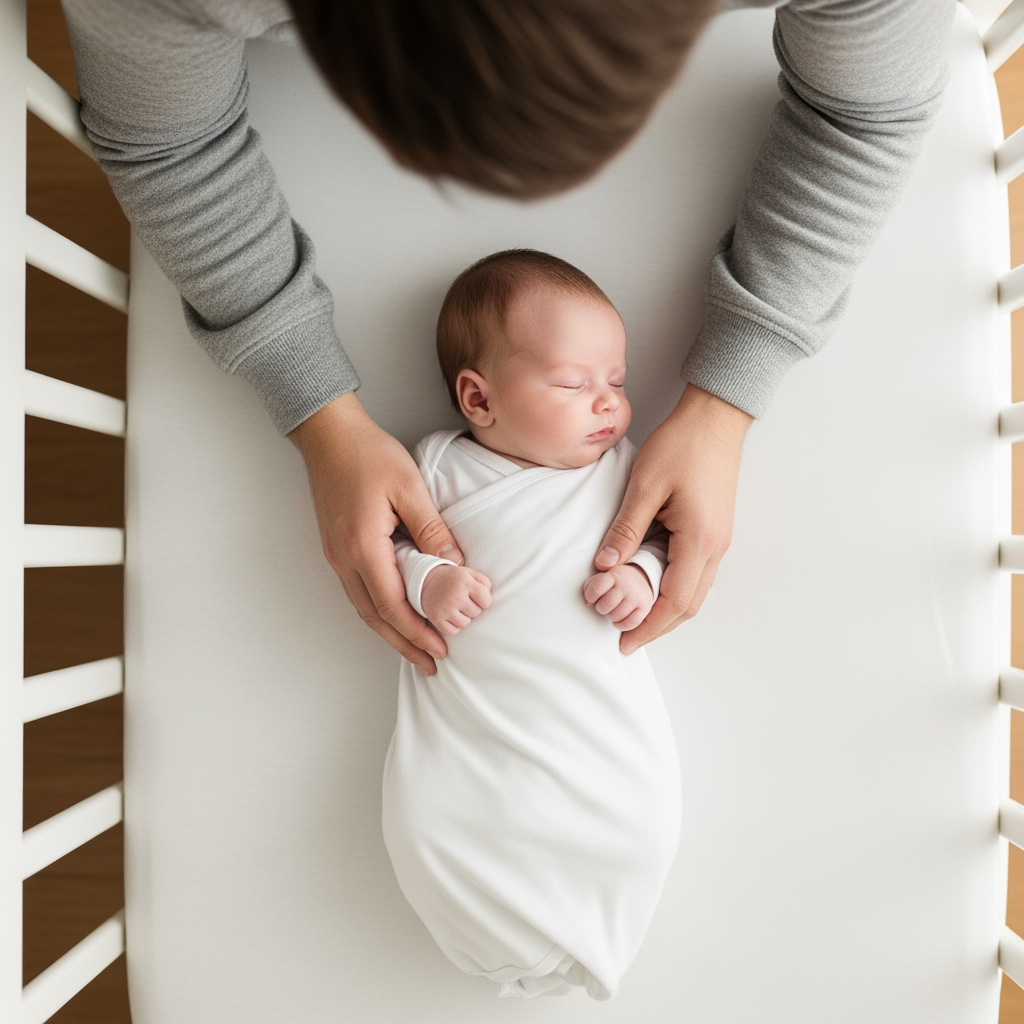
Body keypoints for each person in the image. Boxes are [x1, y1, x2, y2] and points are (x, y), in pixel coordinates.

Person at [61, 0, 956, 673]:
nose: (609, 403)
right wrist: (320, 420)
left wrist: (726, 402)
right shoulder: (445, 465)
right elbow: (166, 139)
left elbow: (867, 112)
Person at [384, 250, 680, 1000]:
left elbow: (657, 538)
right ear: (479, 400)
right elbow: (391, 550)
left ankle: (607, 908)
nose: (607, 403)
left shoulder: (621, 470)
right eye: (574, 384)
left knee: (636, 816)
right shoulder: (439, 468)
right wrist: (431, 578)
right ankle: (479, 925)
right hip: (472, 726)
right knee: (433, 822)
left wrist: (641, 576)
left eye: (614, 381)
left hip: (598, 720)